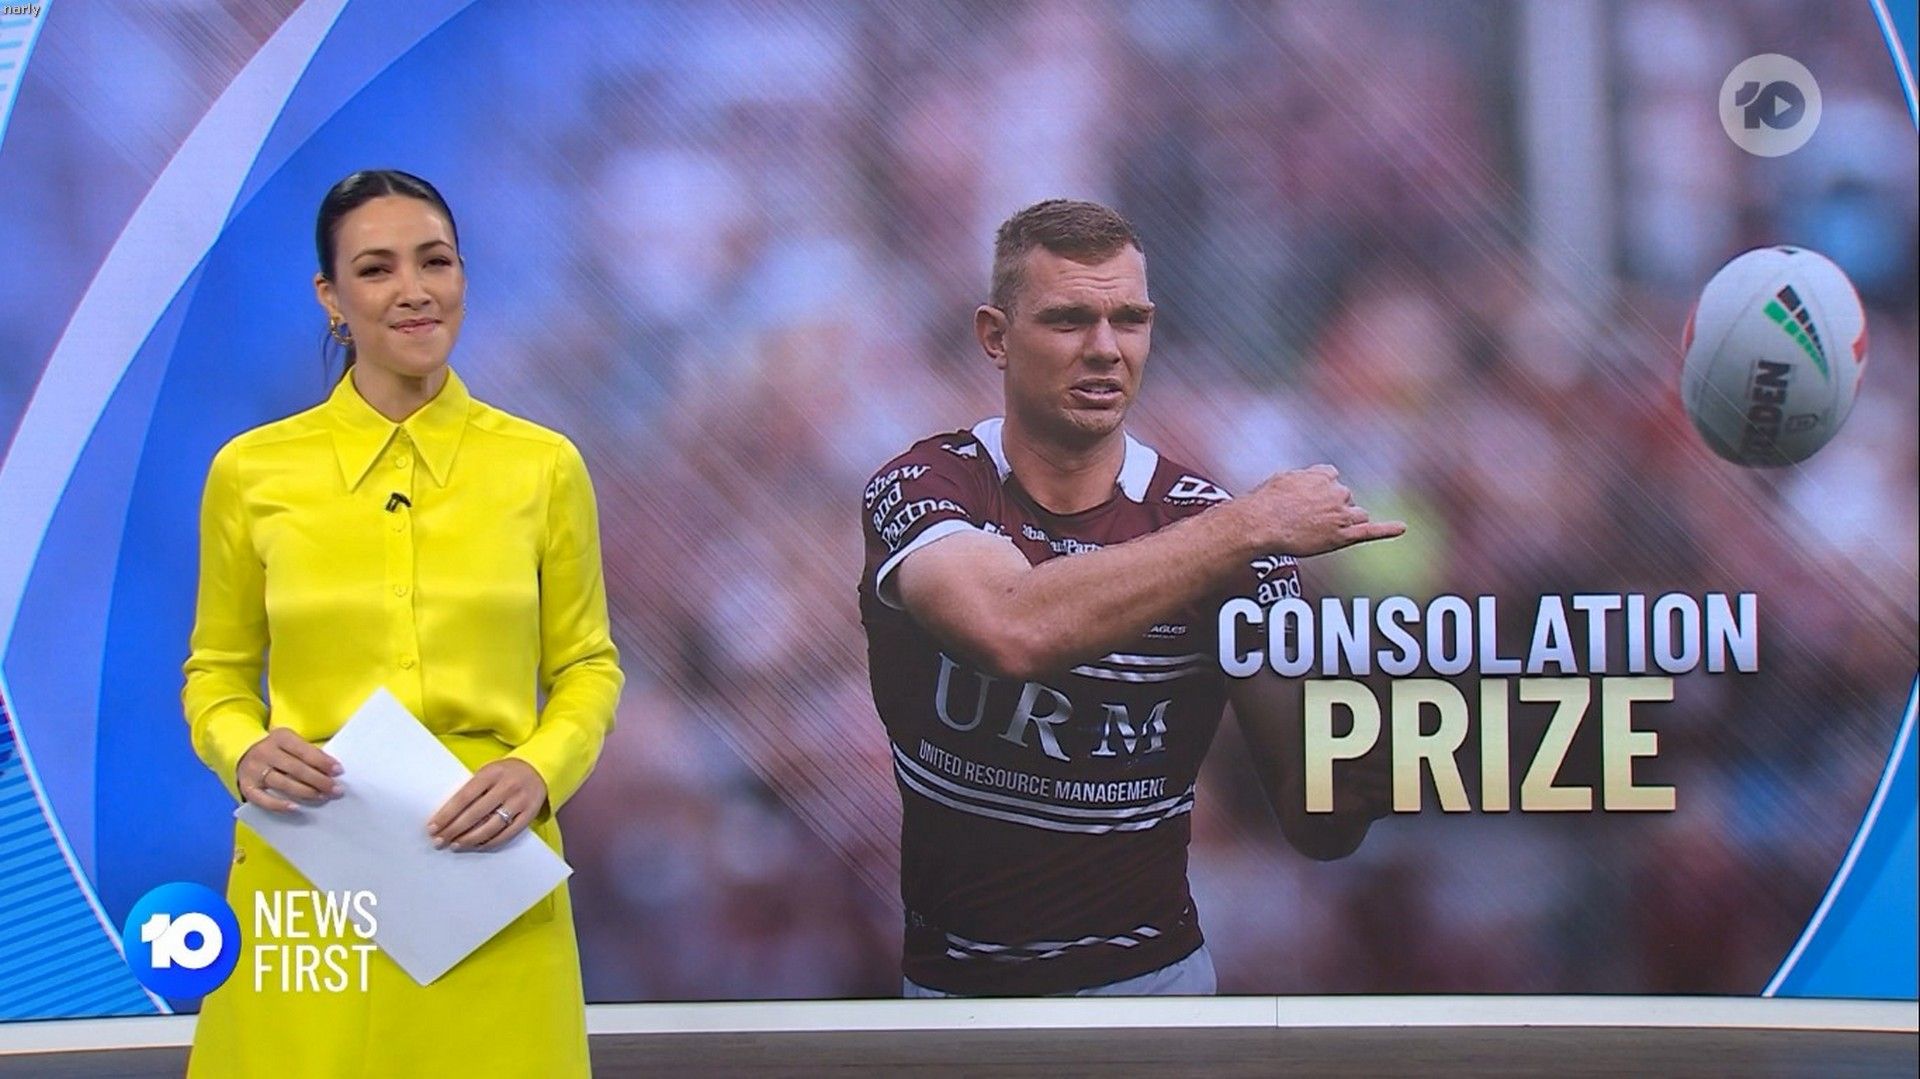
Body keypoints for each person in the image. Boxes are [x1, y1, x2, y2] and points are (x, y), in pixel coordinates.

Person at [858, 199, 1402, 997]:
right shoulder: (927, 485)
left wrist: (1392, 750)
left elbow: (1317, 825)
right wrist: (1246, 525)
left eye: (1130, 320)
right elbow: (1007, 626)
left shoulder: (1224, 531)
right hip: (957, 998)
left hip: (1154, 990)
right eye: (1069, 319)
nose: (1106, 349)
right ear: (995, 337)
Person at [182, 170, 623, 1075]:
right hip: (311, 869)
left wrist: (540, 772)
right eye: (376, 269)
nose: (414, 290)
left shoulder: (542, 467)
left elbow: (588, 665)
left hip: (487, 864)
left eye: (436, 262)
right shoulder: (252, 473)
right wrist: (243, 750)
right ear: (331, 298)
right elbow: (216, 672)